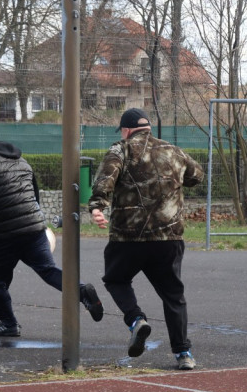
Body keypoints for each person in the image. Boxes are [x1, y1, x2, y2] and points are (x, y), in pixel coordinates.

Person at [88, 108, 205, 370]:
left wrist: (97, 206)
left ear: (127, 130)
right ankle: (183, 353)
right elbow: (197, 176)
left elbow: (106, 178)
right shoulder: (174, 151)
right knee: (173, 295)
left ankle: (136, 319)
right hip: (168, 237)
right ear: (148, 128)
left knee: (116, 279)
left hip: (127, 238)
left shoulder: (121, 149)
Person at [0, 130, 104, 336]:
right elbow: (34, 193)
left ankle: (8, 324)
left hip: (4, 233)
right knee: (47, 269)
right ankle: (82, 291)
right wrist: (36, 219)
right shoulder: (21, 160)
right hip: (34, 227)